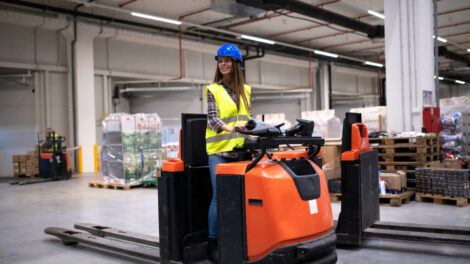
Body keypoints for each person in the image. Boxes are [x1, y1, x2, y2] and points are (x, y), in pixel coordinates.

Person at [205, 43, 252, 262]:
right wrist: (231, 128)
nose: (223, 64)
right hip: (218, 152)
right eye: (220, 60)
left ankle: (237, 237)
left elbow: (247, 118)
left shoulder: (246, 90)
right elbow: (213, 119)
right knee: (219, 197)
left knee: (240, 197)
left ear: (236, 64)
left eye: (227, 60)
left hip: (240, 152)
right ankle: (213, 243)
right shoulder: (213, 89)